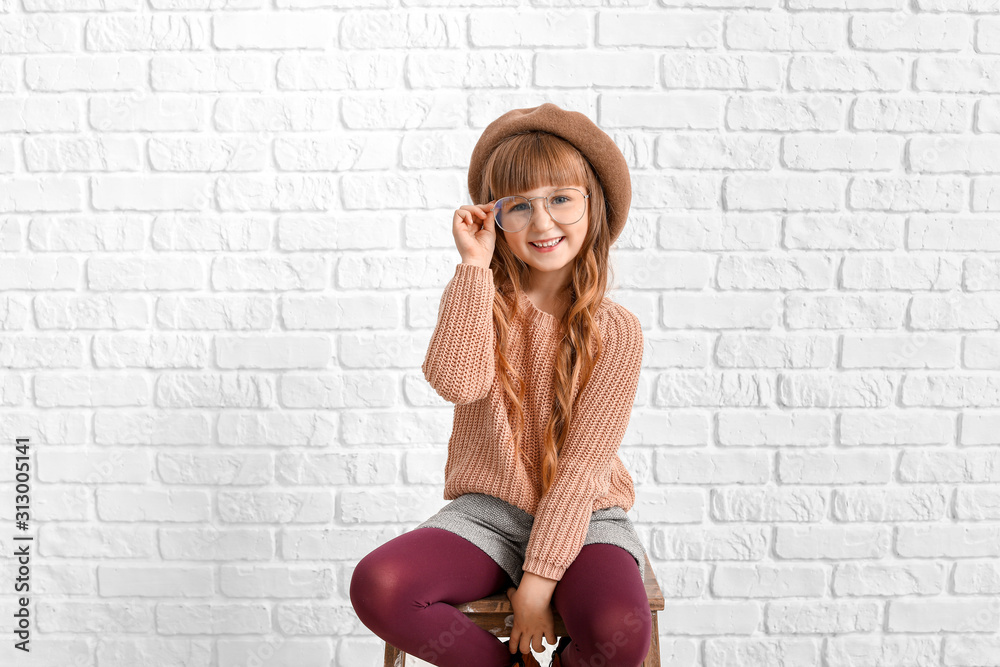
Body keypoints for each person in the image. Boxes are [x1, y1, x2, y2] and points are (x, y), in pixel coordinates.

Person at [350, 103, 651, 667]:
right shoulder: (477, 299)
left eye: (561, 198)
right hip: (488, 514)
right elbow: (456, 381)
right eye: (520, 206)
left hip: (584, 516)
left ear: (594, 206)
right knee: (381, 584)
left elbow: (583, 470)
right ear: (495, 217)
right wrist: (473, 267)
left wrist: (535, 587)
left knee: (619, 632)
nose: (542, 224)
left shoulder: (617, 331)